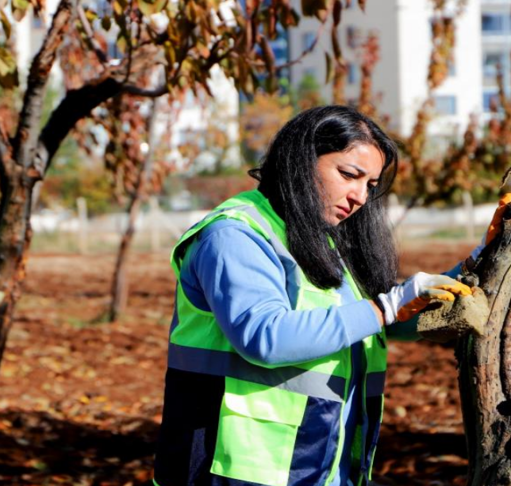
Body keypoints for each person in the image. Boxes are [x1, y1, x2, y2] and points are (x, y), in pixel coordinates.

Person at [152, 106, 476, 486]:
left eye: (370, 185)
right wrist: (383, 307)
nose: (359, 197)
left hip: (317, 463)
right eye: (349, 174)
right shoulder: (234, 236)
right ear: (300, 160)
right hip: (235, 469)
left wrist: (481, 259)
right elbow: (264, 337)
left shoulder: (317, 239)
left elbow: (376, 324)